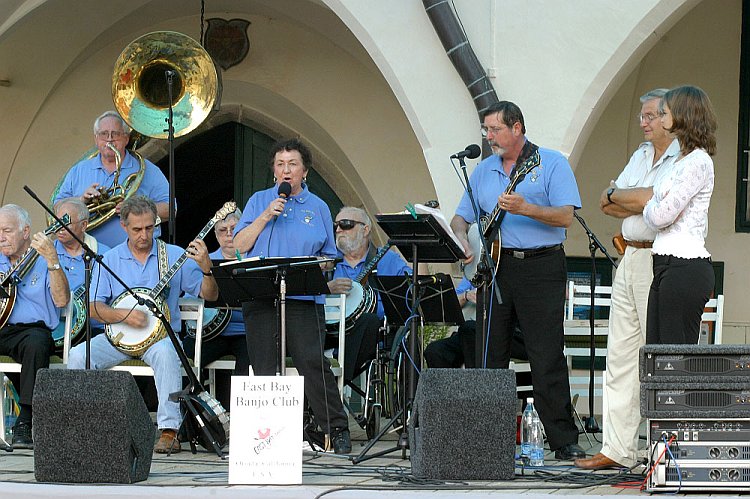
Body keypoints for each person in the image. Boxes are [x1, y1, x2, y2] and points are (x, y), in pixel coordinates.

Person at [450, 100, 585, 460]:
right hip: (497, 267)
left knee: (545, 352)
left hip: (541, 267)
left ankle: (561, 438)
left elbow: (566, 217)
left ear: (517, 128)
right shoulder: (482, 171)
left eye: (495, 129)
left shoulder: (551, 162)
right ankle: (487, 437)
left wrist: (527, 208)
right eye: (486, 130)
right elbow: (461, 216)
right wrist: (461, 237)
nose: (489, 136)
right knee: (489, 352)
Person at [575, 89, 680, 470]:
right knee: (619, 354)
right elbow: (606, 199)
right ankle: (617, 449)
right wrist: (631, 197)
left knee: (658, 356)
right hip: (629, 255)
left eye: (651, 115)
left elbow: (657, 201)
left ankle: (661, 450)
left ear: (671, 117)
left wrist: (630, 196)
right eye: (642, 116)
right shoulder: (640, 154)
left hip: (660, 258)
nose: (644, 122)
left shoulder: (683, 156)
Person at [67, 195, 218, 454]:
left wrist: (207, 269)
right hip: (119, 339)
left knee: (166, 354)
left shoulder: (173, 255)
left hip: (160, 338)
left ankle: (169, 431)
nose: (144, 235)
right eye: (137, 229)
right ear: (124, 226)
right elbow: (93, 307)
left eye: (150, 228)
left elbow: (210, 295)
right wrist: (123, 316)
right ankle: (83, 424)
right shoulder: (110, 258)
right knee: (78, 355)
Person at [233, 138, 351, 454]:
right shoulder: (259, 201)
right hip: (261, 295)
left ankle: (335, 429)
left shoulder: (319, 207)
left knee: (312, 362)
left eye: (293, 164)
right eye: (280, 164)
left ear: (304, 171)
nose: (286, 170)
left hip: (302, 297)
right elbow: (240, 245)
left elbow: (329, 255)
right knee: (265, 366)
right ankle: (270, 439)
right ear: (274, 171)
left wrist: (321, 263)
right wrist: (265, 217)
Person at [0, 204, 70, 449]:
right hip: (2, 328)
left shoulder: (44, 259)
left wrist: (53, 260)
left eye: (6, 230)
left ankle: (26, 419)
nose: (1, 237)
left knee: (37, 343)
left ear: (26, 231)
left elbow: (62, 301)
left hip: (33, 331)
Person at [53, 110, 170, 248]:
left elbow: (170, 210)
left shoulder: (148, 170)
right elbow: (57, 208)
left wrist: (136, 209)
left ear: (126, 138)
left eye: (115, 134)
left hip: (136, 255)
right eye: (104, 134)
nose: (109, 139)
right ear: (96, 139)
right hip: (88, 256)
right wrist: (81, 202)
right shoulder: (78, 170)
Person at [327, 206, 412, 382]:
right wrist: (327, 288)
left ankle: (331, 386)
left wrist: (416, 243)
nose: (338, 229)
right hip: (330, 332)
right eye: (336, 225)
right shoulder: (327, 261)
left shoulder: (387, 259)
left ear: (365, 229)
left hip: (371, 334)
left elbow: (412, 290)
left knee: (369, 321)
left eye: (346, 224)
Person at [182, 207, 250, 376]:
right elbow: (190, 304)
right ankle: (193, 402)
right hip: (210, 334)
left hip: (246, 332)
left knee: (251, 363)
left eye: (234, 229)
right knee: (185, 361)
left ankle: (239, 403)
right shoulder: (201, 261)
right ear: (215, 233)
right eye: (222, 230)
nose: (228, 234)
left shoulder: (255, 258)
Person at [53, 197, 111, 341]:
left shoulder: (104, 254)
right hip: (52, 327)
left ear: (84, 225)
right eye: (56, 221)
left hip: (91, 329)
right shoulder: (46, 253)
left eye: (66, 222)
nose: (59, 228)